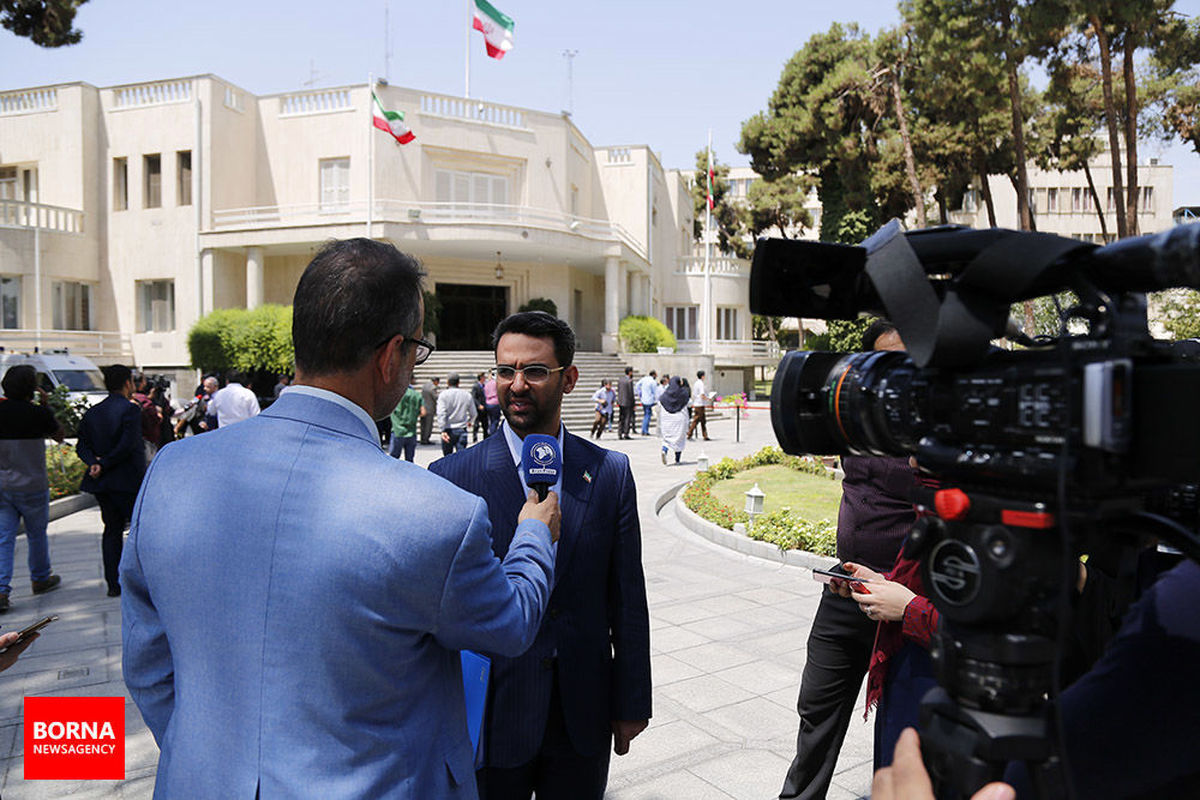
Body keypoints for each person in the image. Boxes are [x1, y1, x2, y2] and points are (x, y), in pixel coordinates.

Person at [121, 237, 561, 799]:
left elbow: (148, 661)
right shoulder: (436, 514)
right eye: (417, 351)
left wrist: (205, 756)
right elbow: (510, 624)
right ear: (390, 355)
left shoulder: (172, 471)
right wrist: (533, 534)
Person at [429, 311, 651, 800]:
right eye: (505, 371)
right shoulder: (451, 476)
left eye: (534, 371)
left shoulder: (610, 472)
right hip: (492, 716)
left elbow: (627, 598)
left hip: (582, 712)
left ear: (568, 379)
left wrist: (632, 699)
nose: (516, 385)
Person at [778, 319, 918, 800]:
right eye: (885, 363)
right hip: (845, 589)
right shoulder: (852, 419)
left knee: (904, 724)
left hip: (905, 597)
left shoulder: (937, 430)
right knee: (816, 706)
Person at [0, 365, 65, 612]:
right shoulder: (37, 413)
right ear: (31, 388)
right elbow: (59, 435)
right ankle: (40, 578)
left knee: (4, 537)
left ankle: (1, 590)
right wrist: (45, 405)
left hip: (2, 485)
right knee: (36, 534)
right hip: (33, 484)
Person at [77, 364, 145, 598]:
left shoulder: (93, 412)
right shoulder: (130, 410)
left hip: (102, 483)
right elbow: (128, 444)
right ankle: (139, 579)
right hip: (127, 480)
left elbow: (81, 444)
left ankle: (112, 583)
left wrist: (94, 463)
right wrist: (104, 462)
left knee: (111, 530)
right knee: (137, 531)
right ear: (127, 383)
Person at [436, 372, 477, 455]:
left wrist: (442, 429)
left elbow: (441, 413)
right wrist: (470, 421)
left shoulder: (443, 395)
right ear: (459, 382)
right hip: (461, 429)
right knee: (461, 458)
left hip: (448, 429)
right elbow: (474, 413)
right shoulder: (466, 395)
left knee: (447, 458)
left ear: (447, 382)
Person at [658, 376, 689, 465]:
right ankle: (677, 459)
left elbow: (660, 404)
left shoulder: (665, 394)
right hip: (679, 419)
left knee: (667, 439)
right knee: (679, 439)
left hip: (667, 420)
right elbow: (689, 402)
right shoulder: (683, 393)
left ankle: (664, 450)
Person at [388, 383, 422, 462]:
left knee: (393, 459)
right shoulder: (416, 395)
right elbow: (423, 412)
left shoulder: (395, 395)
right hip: (411, 431)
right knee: (409, 460)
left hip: (397, 430)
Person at [687, 369, 712, 441]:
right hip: (700, 404)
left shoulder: (696, 383)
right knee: (696, 420)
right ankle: (690, 433)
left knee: (702, 420)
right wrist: (708, 399)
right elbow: (702, 394)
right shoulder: (701, 383)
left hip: (697, 403)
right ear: (702, 376)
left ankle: (705, 435)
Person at [636, 369, 658, 436]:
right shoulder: (653, 382)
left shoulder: (644, 379)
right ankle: (645, 430)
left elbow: (637, 385)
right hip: (649, 400)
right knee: (647, 415)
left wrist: (640, 394)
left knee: (646, 414)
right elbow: (655, 392)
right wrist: (656, 400)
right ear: (654, 374)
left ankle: (644, 429)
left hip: (643, 399)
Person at [420, 375, 440, 445]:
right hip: (429, 409)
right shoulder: (433, 388)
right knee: (428, 425)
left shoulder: (425, 386)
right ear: (436, 381)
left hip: (423, 408)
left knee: (423, 425)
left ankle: (422, 439)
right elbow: (436, 397)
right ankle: (426, 440)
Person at [617, 366, 635, 440]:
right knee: (627, 418)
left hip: (621, 402)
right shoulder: (629, 381)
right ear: (630, 372)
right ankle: (626, 434)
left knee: (621, 418)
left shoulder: (620, 380)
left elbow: (618, 390)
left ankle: (619, 433)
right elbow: (631, 393)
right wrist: (633, 403)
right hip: (628, 402)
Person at [473, 372, 489, 441]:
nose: (485, 378)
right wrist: (478, 405)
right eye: (483, 377)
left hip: (485, 408)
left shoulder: (485, 386)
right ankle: (474, 437)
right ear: (481, 378)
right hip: (478, 408)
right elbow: (473, 397)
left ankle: (485, 438)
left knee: (485, 424)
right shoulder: (476, 386)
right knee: (476, 424)